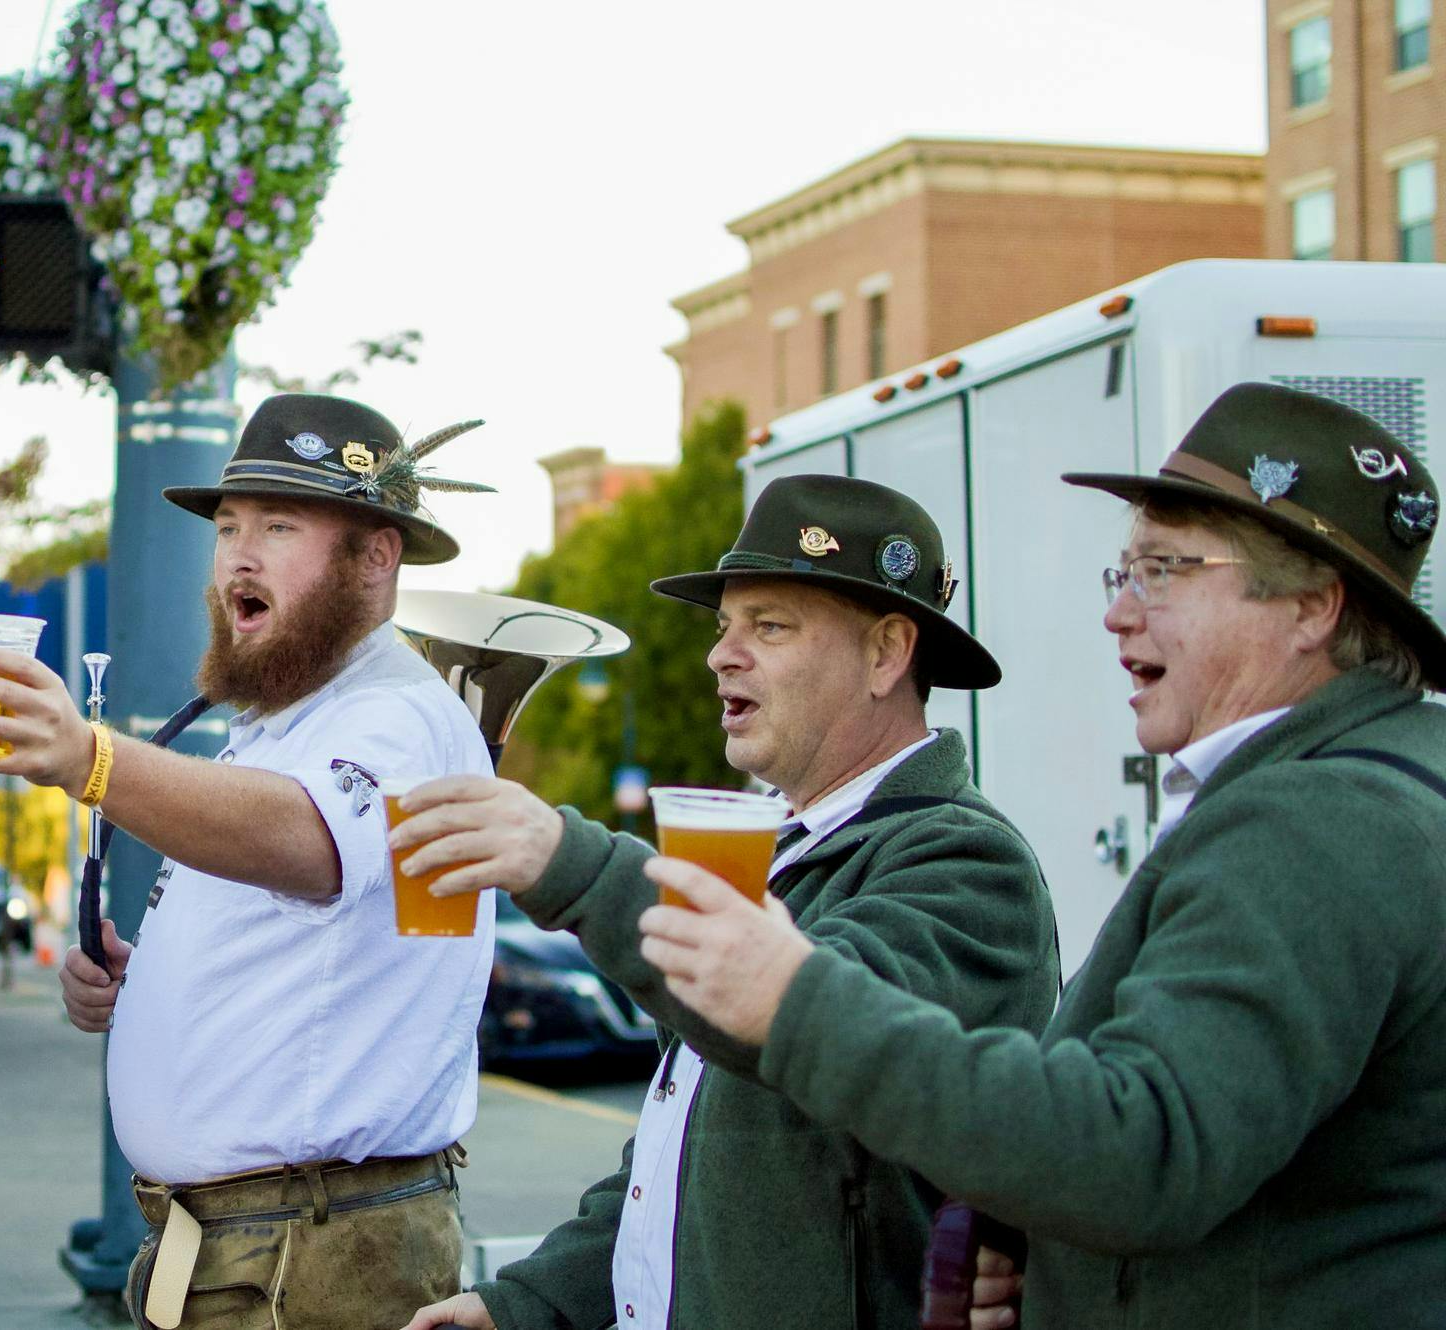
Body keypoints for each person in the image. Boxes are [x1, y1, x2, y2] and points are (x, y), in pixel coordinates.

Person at [637, 383, 1446, 1327]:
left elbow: (1144, 1153)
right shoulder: (1379, 784)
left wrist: (793, 998)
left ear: (1311, 606)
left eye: (1163, 572)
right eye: (1123, 575)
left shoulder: (1314, 818)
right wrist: (1050, 1260)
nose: (1119, 614)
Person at [391, 475, 1061, 1330]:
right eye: (723, 628)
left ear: (888, 654)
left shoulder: (967, 861)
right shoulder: (789, 848)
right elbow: (682, 1164)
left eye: (769, 626)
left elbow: (805, 1013)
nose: (719, 656)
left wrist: (571, 864)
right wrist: (524, 1305)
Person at [0, 393, 497, 1330]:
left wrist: (90, 757)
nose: (238, 553)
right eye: (229, 526)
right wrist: (144, 983)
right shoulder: (287, 721)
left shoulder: (396, 712)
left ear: (376, 556)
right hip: (252, 1249)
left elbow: (307, 843)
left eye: (279, 527)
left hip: (315, 1258)